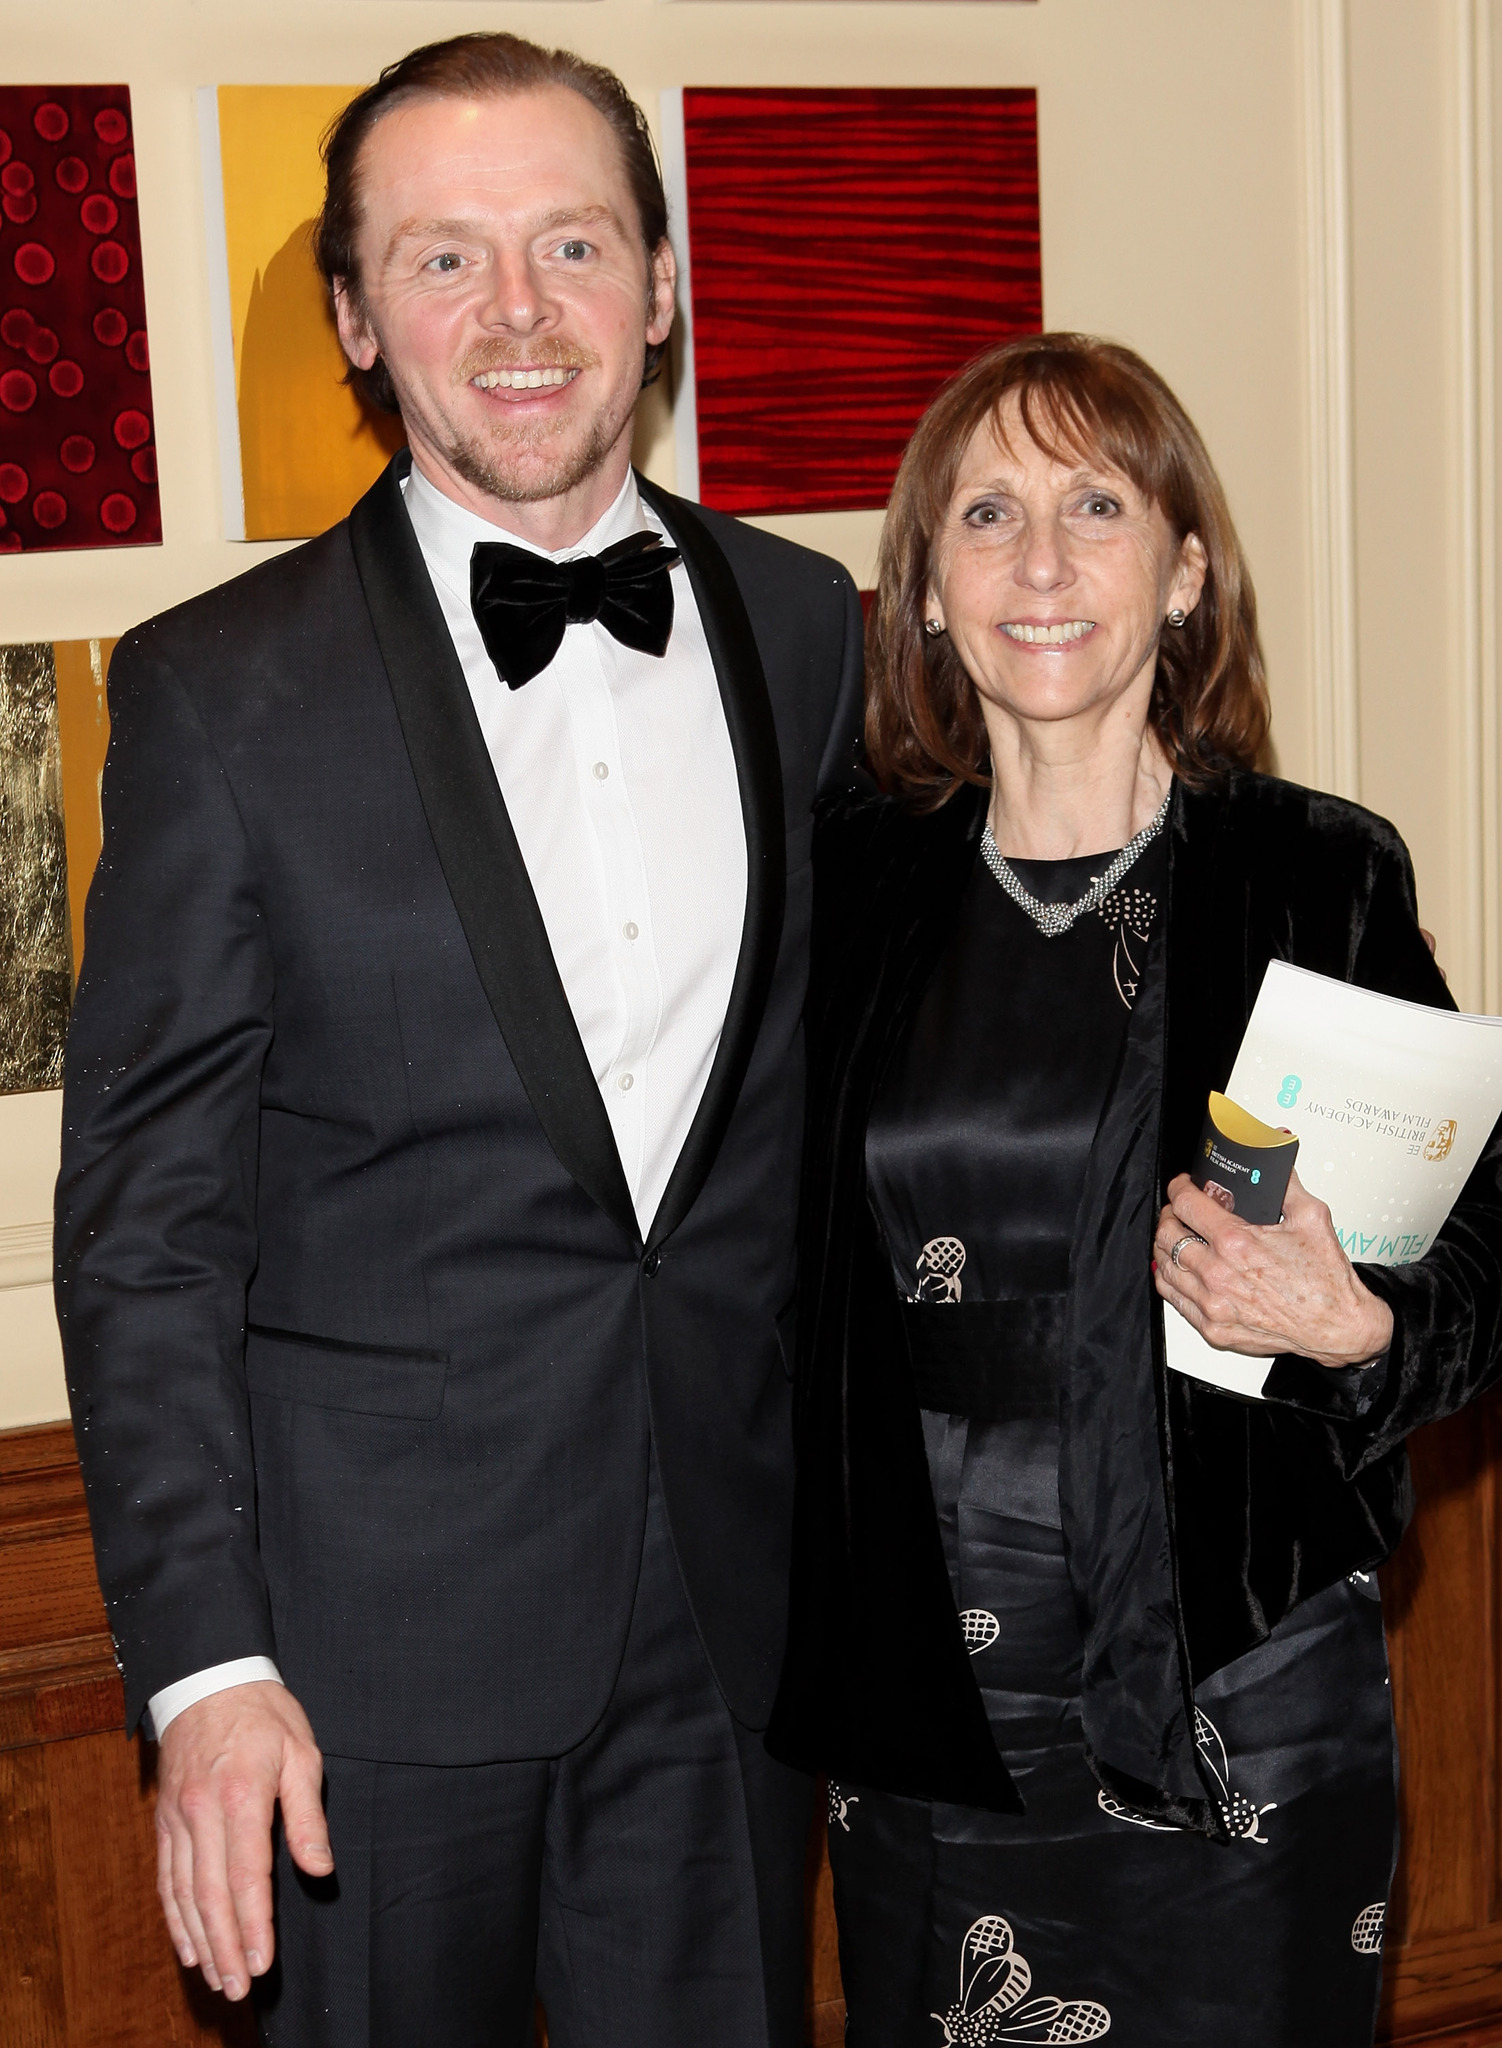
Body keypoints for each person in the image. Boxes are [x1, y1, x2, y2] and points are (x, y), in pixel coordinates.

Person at [55, 33, 861, 2048]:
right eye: (441, 259)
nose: (518, 314)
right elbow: (147, 1238)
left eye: (573, 243)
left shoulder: (813, 625)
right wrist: (201, 1672)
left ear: (661, 286)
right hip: (357, 1682)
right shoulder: (219, 698)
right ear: (352, 314)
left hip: (732, 1639)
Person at [765, 332, 1502, 2046]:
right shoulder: (844, 887)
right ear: (923, 593)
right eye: (987, 515)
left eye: (1097, 506)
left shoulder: (1314, 870)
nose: (1040, 564)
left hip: (1231, 1669)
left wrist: (1359, 1322)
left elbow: (1487, 1246)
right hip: (923, 1681)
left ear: (1180, 570)